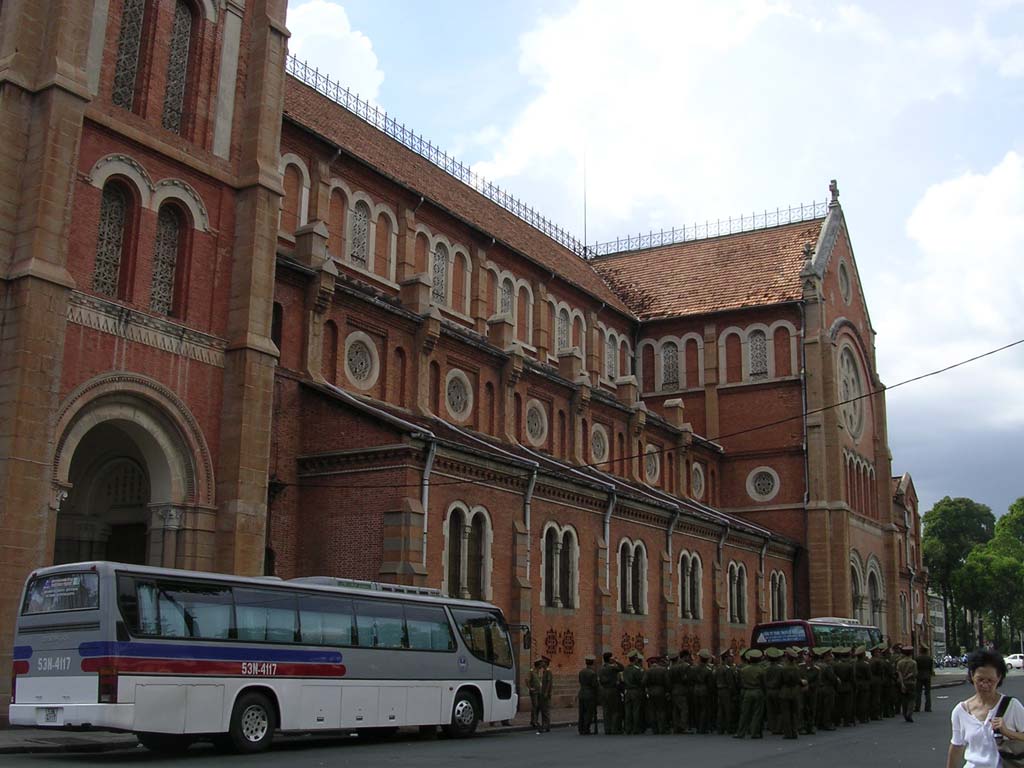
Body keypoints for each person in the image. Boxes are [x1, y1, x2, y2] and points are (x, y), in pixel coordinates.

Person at [947, 649, 1024, 768]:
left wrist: (1008, 733)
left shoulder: (1012, 706)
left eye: (990, 680)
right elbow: (957, 746)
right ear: (972, 675)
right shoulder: (961, 711)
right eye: (980, 680)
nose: (985, 685)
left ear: (999, 677)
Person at [598, 651, 623, 735]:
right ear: (609, 659)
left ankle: (607, 729)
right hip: (612, 690)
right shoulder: (612, 668)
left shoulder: (601, 668)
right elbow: (622, 668)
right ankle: (614, 729)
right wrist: (616, 661)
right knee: (615, 710)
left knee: (606, 710)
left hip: (603, 691)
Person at [623, 650, 645, 735]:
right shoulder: (637, 670)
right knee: (636, 710)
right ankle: (636, 728)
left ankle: (628, 728)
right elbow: (641, 681)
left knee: (628, 710)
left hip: (627, 691)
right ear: (635, 659)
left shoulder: (626, 669)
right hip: (636, 691)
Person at [895, 645, 918, 723]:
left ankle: (905, 714)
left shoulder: (899, 662)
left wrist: (902, 683)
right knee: (911, 699)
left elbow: (899, 673)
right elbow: (914, 673)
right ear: (910, 653)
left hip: (902, 683)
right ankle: (909, 713)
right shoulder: (913, 662)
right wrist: (907, 677)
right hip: (911, 683)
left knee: (904, 699)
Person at [578, 655, 599, 734]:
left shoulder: (581, 672)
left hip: (581, 693)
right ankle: (586, 728)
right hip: (589, 694)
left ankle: (581, 728)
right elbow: (595, 685)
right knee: (588, 712)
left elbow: (580, 682)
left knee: (581, 712)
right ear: (592, 662)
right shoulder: (592, 673)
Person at [917, 644, 935, 713]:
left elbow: (916, 668)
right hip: (927, 676)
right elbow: (931, 668)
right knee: (927, 693)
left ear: (921, 651)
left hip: (919, 676)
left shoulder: (917, 658)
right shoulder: (929, 658)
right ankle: (928, 707)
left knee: (918, 692)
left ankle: (917, 707)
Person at [528, 658, 543, 729]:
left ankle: (535, 720)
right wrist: (530, 688)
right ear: (538, 665)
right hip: (534, 691)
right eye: (541, 664)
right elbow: (526, 680)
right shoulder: (532, 671)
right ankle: (533, 721)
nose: (541, 666)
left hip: (539, 691)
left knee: (538, 706)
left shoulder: (539, 672)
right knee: (535, 705)